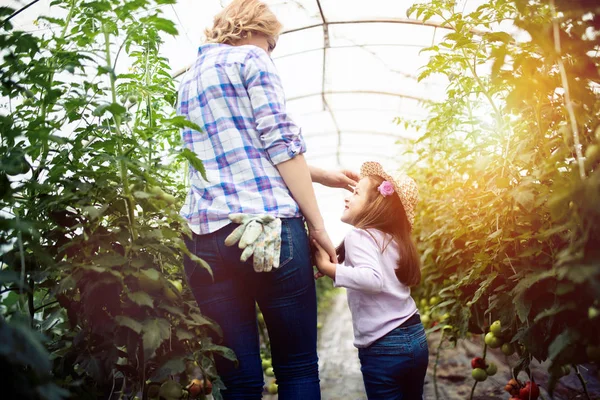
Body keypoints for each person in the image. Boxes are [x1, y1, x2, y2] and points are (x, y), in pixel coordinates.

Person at [176, 0, 358, 398]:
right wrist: (318, 225)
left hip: (206, 239)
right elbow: (279, 143)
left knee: (239, 380)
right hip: (270, 231)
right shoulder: (251, 61)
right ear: (254, 29)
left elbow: (239, 150)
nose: (270, 50)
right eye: (271, 42)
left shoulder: (186, 81)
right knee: (296, 368)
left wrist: (321, 173)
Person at [312, 161, 428, 400]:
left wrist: (327, 266)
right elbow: (376, 271)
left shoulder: (359, 235)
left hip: (384, 346)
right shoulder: (394, 238)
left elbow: (373, 279)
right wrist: (337, 264)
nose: (347, 198)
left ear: (376, 204)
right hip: (415, 336)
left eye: (355, 193)